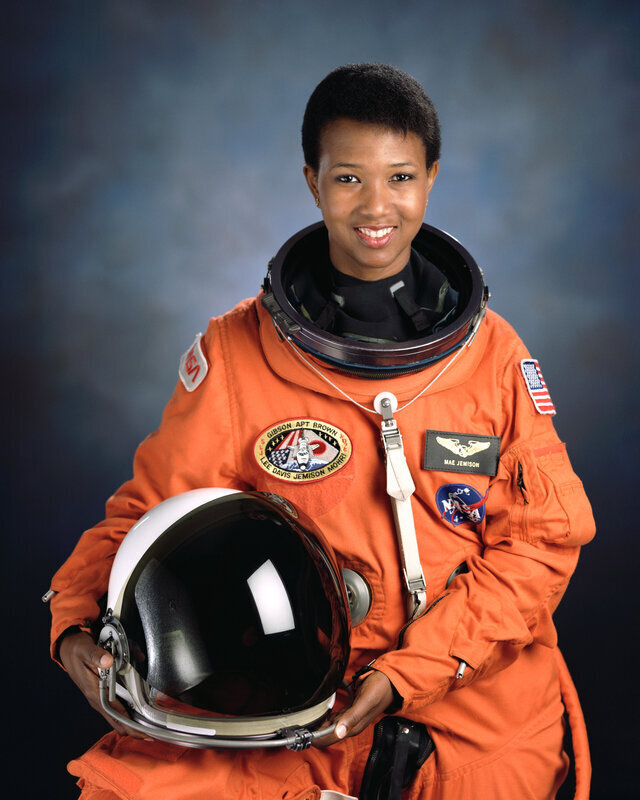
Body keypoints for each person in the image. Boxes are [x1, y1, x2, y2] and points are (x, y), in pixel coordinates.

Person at [47, 63, 595, 800]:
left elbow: (539, 545)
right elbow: (153, 518)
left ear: (431, 178)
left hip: (468, 694)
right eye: (347, 179)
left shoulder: (493, 357)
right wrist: (76, 619)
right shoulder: (239, 354)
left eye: (400, 177)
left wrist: (411, 674)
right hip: (283, 692)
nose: (377, 205)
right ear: (312, 181)